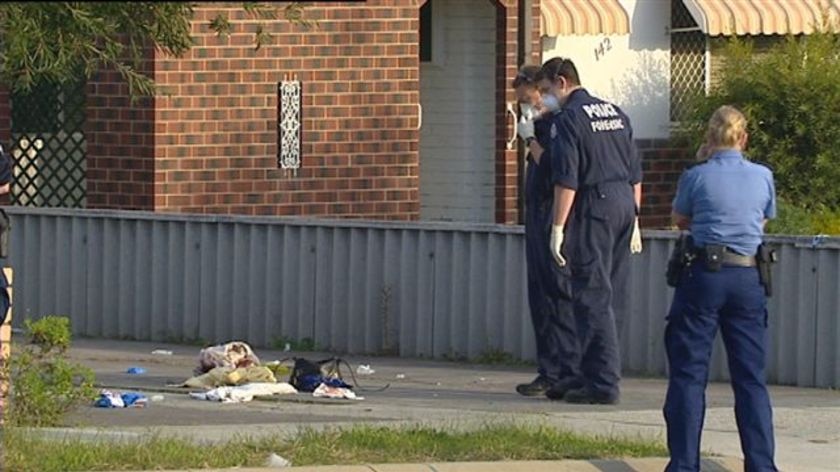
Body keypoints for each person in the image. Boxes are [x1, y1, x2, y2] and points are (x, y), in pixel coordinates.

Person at [664, 105, 778, 472]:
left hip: (704, 275)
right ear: (743, 139)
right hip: (748, 277)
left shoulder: (696, 176)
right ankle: (761, 465)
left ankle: (683, 465)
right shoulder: (762, 176)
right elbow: (761, 218)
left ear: (709, 140)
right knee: (750, 378)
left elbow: (680, 219)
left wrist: (703, 163)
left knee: (688, 373)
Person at [537, 57, 642, 404]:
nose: (547, 98)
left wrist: (557, 228)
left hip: (594, 206)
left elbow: (566, 179)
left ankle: (603, 383)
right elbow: (635, 172)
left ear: (562, 82)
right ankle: (586, 372)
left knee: (591, 295)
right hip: (624, 202)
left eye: (547, 90)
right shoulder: (615, 112)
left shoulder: (568, 120)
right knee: (613, 295)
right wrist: (636, 217)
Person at [511, 65, 581, 397]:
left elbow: (554, 168)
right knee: (539, 294)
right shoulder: (540, 123)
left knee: (557, 293)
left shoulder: (556, 124)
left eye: (528, 100)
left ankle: (565, 369)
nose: (526, 108)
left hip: (550, 212)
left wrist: (531, 139)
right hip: (535, 213)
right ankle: (549, 368)